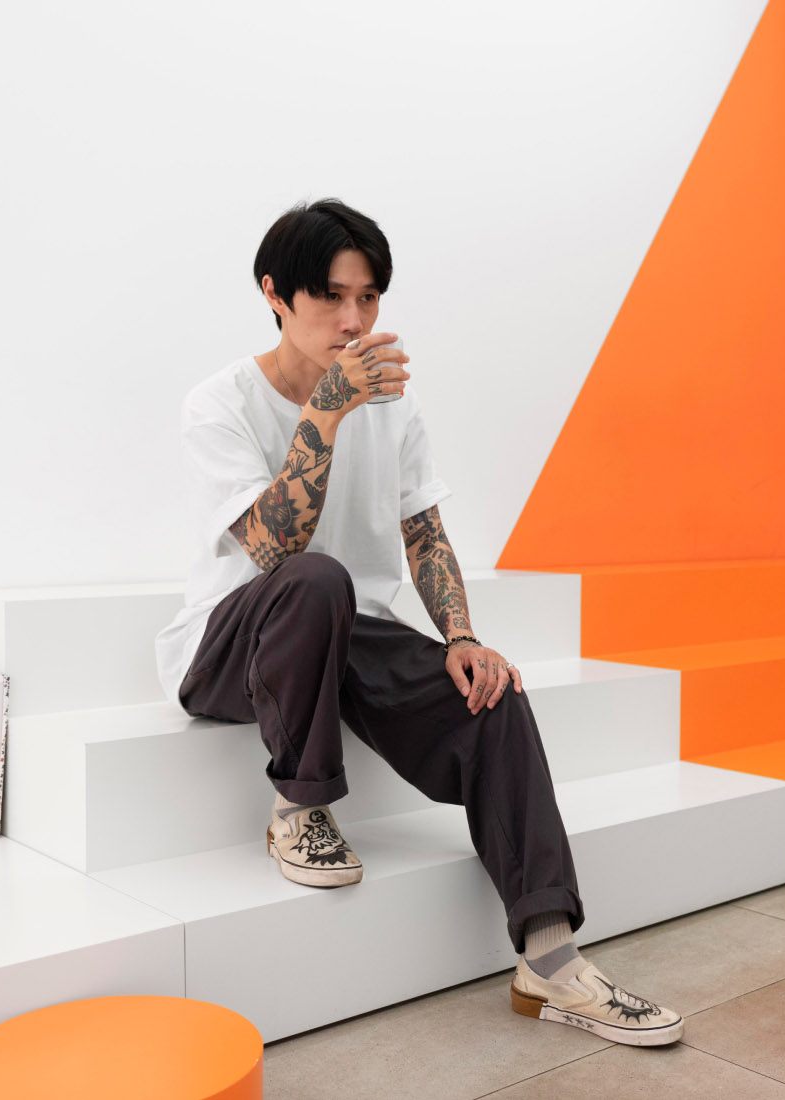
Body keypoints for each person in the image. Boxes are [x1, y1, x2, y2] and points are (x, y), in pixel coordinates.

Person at [153, 198, 682, 1047]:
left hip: (347, 637)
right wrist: (326, 412)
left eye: (369, 298)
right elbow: (273, 546)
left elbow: (424, 532)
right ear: (275, 295)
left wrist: (463, 640)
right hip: (231, 647)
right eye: (332, 296)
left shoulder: (393, 405)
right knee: (315, 578)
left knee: (494, 695)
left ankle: (550, 959)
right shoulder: (220, 403)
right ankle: (299, 807)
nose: (354, 321)